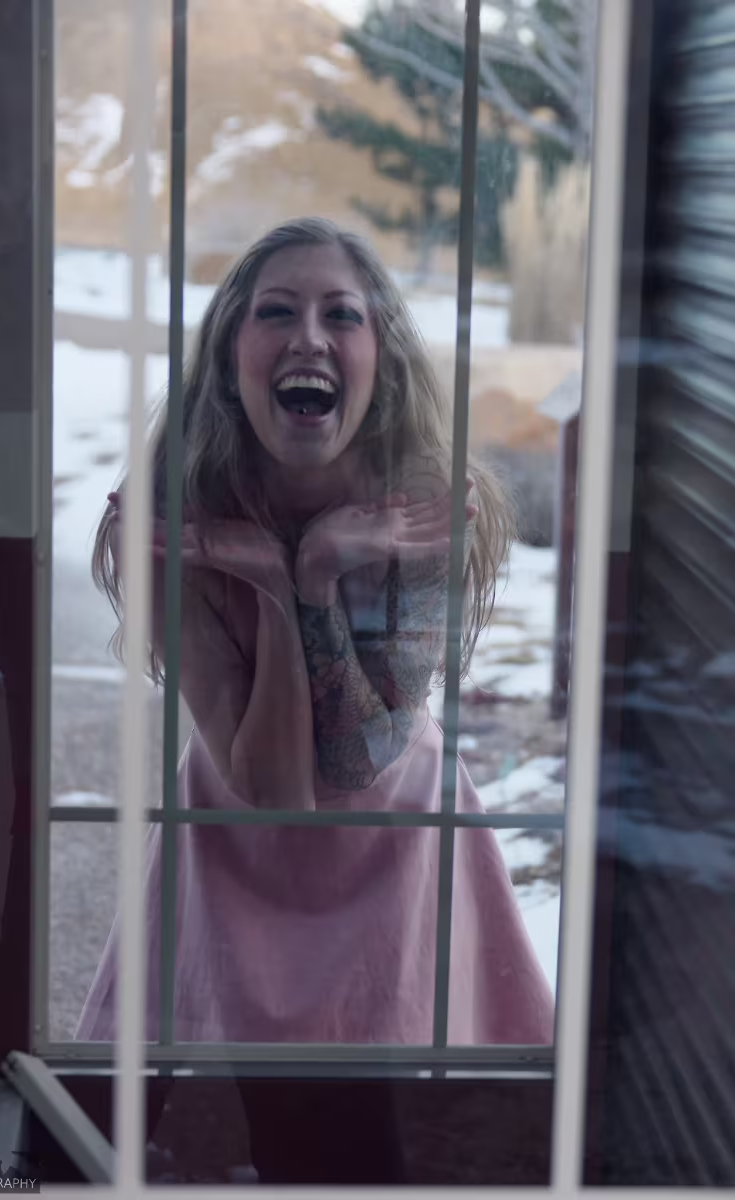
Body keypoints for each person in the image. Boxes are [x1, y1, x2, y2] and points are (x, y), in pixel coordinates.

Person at [75, 216, 554, 1048]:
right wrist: (272, 584)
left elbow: (355, 761)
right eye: (276, 312)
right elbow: (277, 794)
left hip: (401, 844)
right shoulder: (174, 510)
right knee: (213, 1118)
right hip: (233, 842)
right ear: (230, 360)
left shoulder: (426, 502)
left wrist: (315, 579)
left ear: (381, 358)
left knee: (404, 1117)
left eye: (341, 314)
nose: (309, 336)